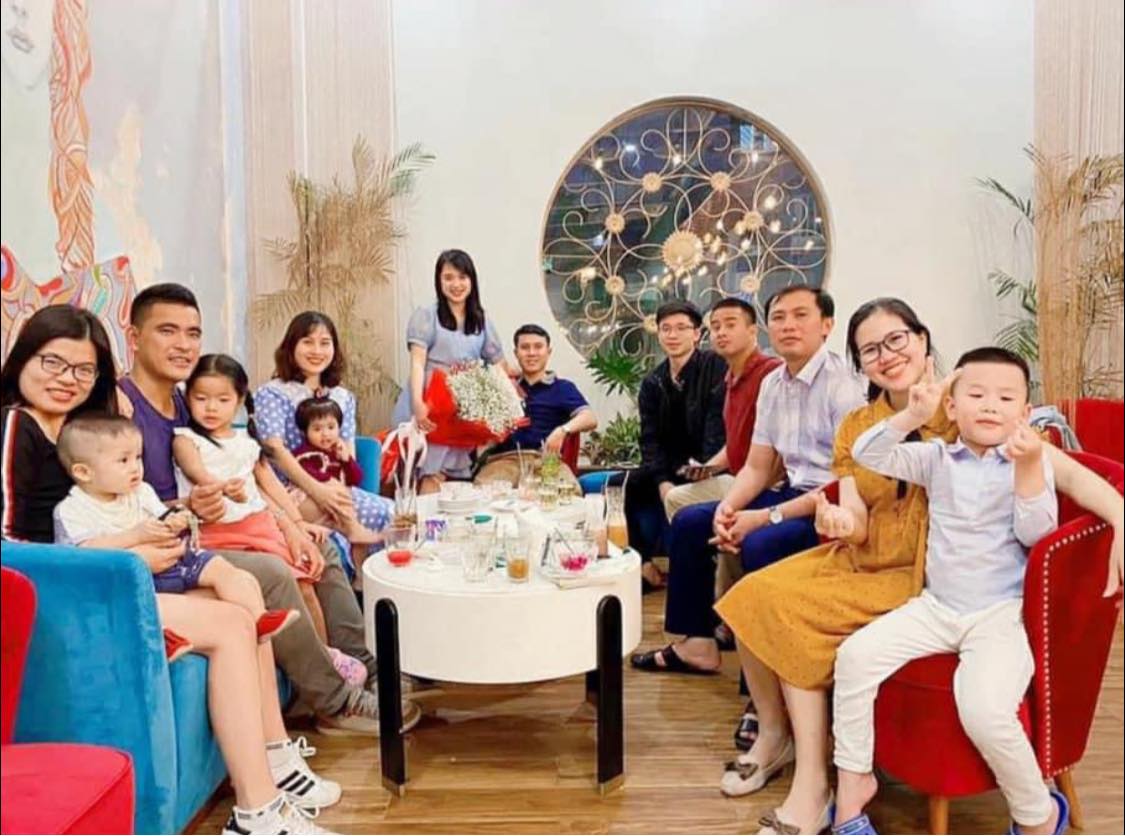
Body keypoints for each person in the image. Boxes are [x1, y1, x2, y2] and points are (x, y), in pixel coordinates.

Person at [714, 299, 1125, 836]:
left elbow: (1065, 477)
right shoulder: (863, 424)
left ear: (923, 340)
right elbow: (857, 510)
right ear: (859, 364)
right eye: (870, 350)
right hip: (873, 559)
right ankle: (778, 737)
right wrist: (840, 520)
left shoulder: (970, 408)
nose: (886, 355)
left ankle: (814, 784)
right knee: (752, 593)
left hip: (924, 573)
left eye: (896, 339)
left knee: (789, 609)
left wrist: (1120, 516)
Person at [0, 305, 342, 834]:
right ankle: (257, 810)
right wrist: (127, 559)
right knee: (231, 622)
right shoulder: (15, 425)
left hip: (110, 581)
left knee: (241, 599)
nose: (67, 379)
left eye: (84, 369)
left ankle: (273, 759)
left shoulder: (78, 427)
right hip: (64, 597)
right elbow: (11, 549)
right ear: (23, 358)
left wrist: (165, 533)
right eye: (53, 362)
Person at [117, 284, 412, 736]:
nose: (183, 344)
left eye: (192, 333)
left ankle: (365, 665)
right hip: (172, 545)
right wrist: (188, 506)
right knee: (273, 572)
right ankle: (335, 702)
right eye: (167, 331)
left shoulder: (184, 400)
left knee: (321, 547)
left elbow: (249, 473)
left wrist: (291, 525)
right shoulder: (120, 407)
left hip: (218, 524)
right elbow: (118, 502)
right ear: (134, 337)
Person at [831, 347, 1069, 836]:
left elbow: (1036, 534)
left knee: (984, 709)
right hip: (936, 608)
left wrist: (1027, 469)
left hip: (999, 614)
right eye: (976, 394)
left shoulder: (1031, 462)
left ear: (1025, 412)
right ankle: (854, 782)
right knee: (854, 657)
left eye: (1006, 398)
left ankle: (1038, 813)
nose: (991, 405)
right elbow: (867, 454)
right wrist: (913, 416)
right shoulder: (938, 458)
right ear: (952, 407)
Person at [633, 286, 865, 675]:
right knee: (691, 522)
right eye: (779, 317)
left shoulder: (843, 386)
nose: (788, 325)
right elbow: (757, 467)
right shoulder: (774, 384)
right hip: (787, 493)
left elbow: (847, 482)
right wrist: (727, 509)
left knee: (760, 543)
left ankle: (764, 681)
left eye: (801, 315)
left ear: (827, 325)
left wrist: (761, 517)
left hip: (832, 505)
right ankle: (697, 644)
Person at [173, 356, 366, 686]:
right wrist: (221, 487)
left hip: (258, 524)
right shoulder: (186, 439)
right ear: (187, 397)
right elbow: (196, 472)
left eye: (222, 399)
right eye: (200, 398)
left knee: (309, 577)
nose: (210, 407)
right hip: (216, 533)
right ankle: (326, 664)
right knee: (295, 582)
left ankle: (334, 655)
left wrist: (297, 523)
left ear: (238, 401)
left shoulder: (247, 443)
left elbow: (269, 483)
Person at [54, 414, 299, 639]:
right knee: (157, 602)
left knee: (229, 572)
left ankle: (259, 620)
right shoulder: (73, 509)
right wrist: (136, 535)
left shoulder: (141, 491)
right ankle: (165, 638)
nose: (135, 467)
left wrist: (177, 519)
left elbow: (164, 516)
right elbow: (86, 551)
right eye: (123, 460)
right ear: (84, 472)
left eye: (138, 457)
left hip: (174, 561)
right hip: (132, 578)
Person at [255, 311, 394, 569]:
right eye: (308, 342)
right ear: (291, 346)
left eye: (325, 342)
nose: (317, 350)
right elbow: (274, 449)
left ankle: (375, 583)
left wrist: (337, 487)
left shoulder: (343, 397)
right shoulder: (271, 394)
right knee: (385, 516)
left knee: (398, 516)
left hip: (336, 485)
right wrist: (317, 491)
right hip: (291, 492)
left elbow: (348, 456)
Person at [391, 248, 510, 494]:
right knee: (429, 470)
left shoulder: (481, 319)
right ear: (439, 281)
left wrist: (504, 409)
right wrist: (418, 404)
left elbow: (499, 365)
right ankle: (423, 517)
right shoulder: (427, 315)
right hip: (430, 403)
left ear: (472, 280)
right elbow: (417, 363)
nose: (456, 284)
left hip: (462, 408)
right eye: (448, 277)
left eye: (462, 277)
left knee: (454, 479)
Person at [628, 300, 727, 590]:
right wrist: (661, 481)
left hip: (708, 468)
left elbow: (717, 430)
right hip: (669, 469)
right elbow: (649, 439)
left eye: (682, 328)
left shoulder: (715, 367)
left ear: (696, 334)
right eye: (666, 328)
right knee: (623, 486)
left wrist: (702, 470)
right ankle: (643, 564)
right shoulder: (653, 382)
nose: (673, 335)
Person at [662, 296, 782, 520]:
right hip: (738, 477)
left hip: (766, 484)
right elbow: (735, 445)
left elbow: (782, 447)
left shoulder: (771, 373)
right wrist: (707, 468)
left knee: (684, 511)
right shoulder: (729, 379)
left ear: (752, 331)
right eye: (716, 327)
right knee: (674, 496)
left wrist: (762, 488)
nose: (721, 332)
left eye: (730, 325)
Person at [475, 323, 597, 486]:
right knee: (484, 492)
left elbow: (590, 418)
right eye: (525, 347)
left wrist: (562, 431)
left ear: (548, 352)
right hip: (504, 461)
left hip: (546, 461)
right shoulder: (503, 387)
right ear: (516, 353)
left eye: (538, 347)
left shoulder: (563, 388)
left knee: (566, 492)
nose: (531, 353)